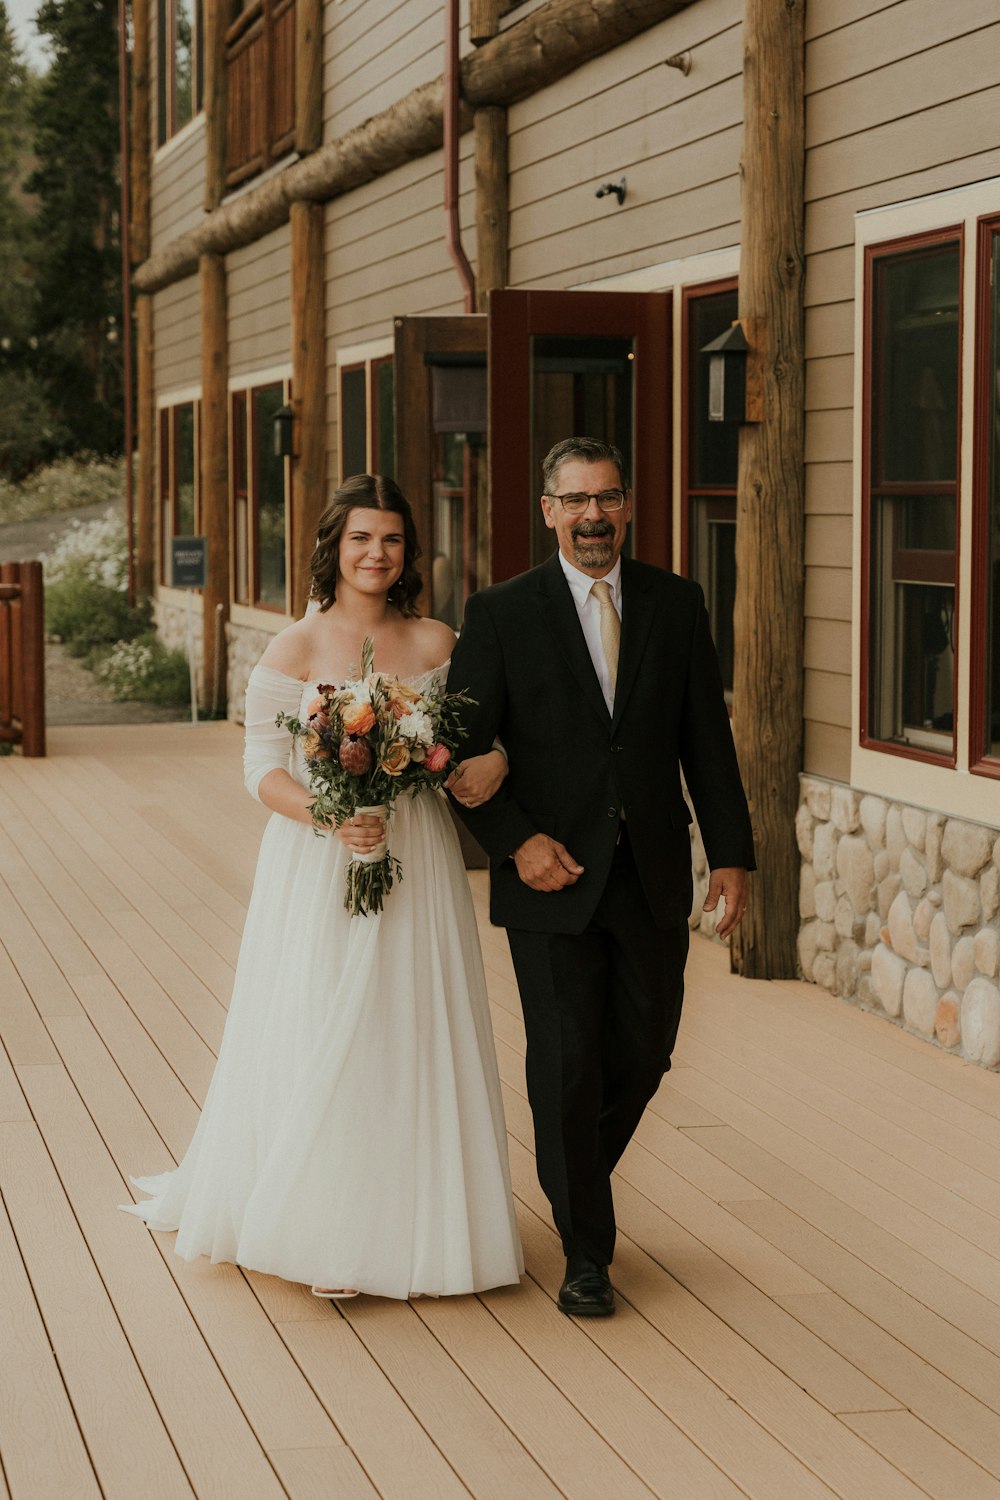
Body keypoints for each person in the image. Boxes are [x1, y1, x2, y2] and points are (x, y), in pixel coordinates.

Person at [123, 474, 523, 1301]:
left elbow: (479, 745)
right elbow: (259, 769)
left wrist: (497, 760)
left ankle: (418, 1219)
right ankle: (324, 1231)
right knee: (324, 1021)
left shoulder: (440, 643)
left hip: (414, 854)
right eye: (361, 539)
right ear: (333, 548)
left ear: (410, 553)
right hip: (319, 857)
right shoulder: (293, 647)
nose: (377, 553)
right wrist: (332, 815)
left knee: (408, 1023)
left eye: (393, 540)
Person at [447, 437, 754, 1317]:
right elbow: (457, 757)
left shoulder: (676, 602)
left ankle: (572, 1174)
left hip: (652, 871)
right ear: (548, 511)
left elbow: (706, 740)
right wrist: (517, 843)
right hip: (549, 878)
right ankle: (588, 1251)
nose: (593, 516)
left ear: (627, 507)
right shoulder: (502, 613)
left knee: (646, 1051)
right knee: (568, 1062)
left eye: (608, 498)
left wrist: (730, 854)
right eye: (575, 500)